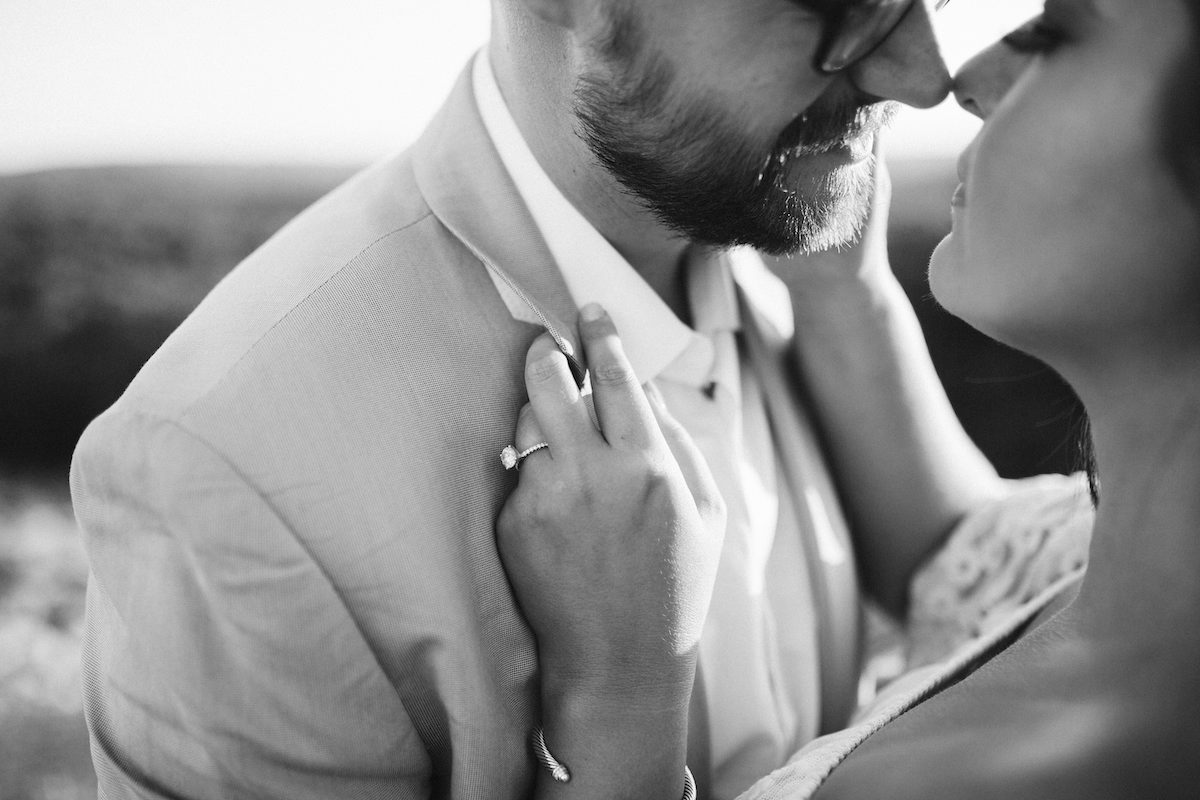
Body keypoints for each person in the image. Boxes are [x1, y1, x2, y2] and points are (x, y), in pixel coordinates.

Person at [69, 1, 1083, 798]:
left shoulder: (807, 275)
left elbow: (954, 557)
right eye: (841, 9)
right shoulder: (224, 454)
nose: (923, 72)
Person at [497, 0, 1200, 797]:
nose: (958, 80)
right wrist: (843, 290)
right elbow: (955, 559)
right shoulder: (1126, 569)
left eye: (1050, 36)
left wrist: (619, 700)